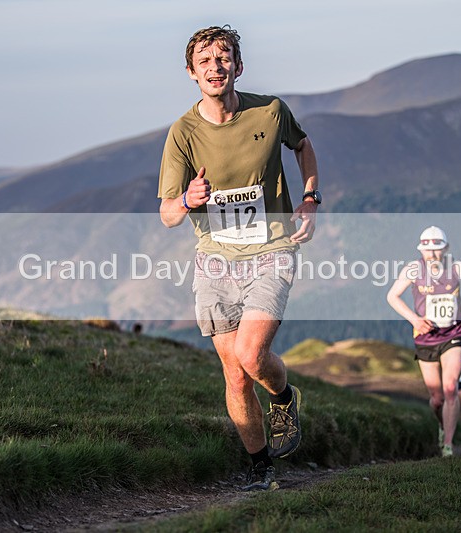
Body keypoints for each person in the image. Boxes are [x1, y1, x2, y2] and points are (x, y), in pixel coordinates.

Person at [158, 25, 320, 491]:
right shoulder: (183, 133)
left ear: (238, 66)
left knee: (252, 354)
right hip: (215, 260)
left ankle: (285, 397)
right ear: (191, 73)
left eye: (223, 57)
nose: (215, 67)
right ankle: (259, 466)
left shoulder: (271, 111)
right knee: (234, 374)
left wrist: (310, 197)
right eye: (205, 61)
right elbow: (168, 214)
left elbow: (303, 146)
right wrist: (187, 199)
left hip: (271, 248)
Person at [387, 226, 461, 457]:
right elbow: (392, 296)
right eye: (426, 250)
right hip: (426, 337)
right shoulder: (413, 270)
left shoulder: (459, 268)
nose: (431, 254)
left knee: (451, 387)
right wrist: (414, 319)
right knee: (437, 399)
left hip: (453, 334)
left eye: (436, 249)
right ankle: (442, 426)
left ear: (446, 248)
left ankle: (448, 445)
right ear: (421, 250)